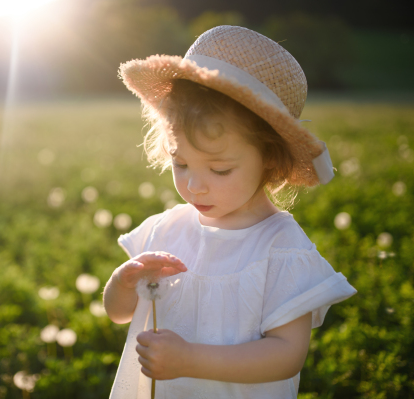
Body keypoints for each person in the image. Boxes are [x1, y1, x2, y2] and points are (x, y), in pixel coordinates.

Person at [103, 26, 357, 399]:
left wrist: (190, 359)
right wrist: (122, 284)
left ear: (270, 158)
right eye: (181, 162)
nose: (194, 186)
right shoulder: (167, 228)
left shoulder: (281, 249)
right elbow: (119, 313)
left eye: (220, 170)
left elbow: (287, 354)